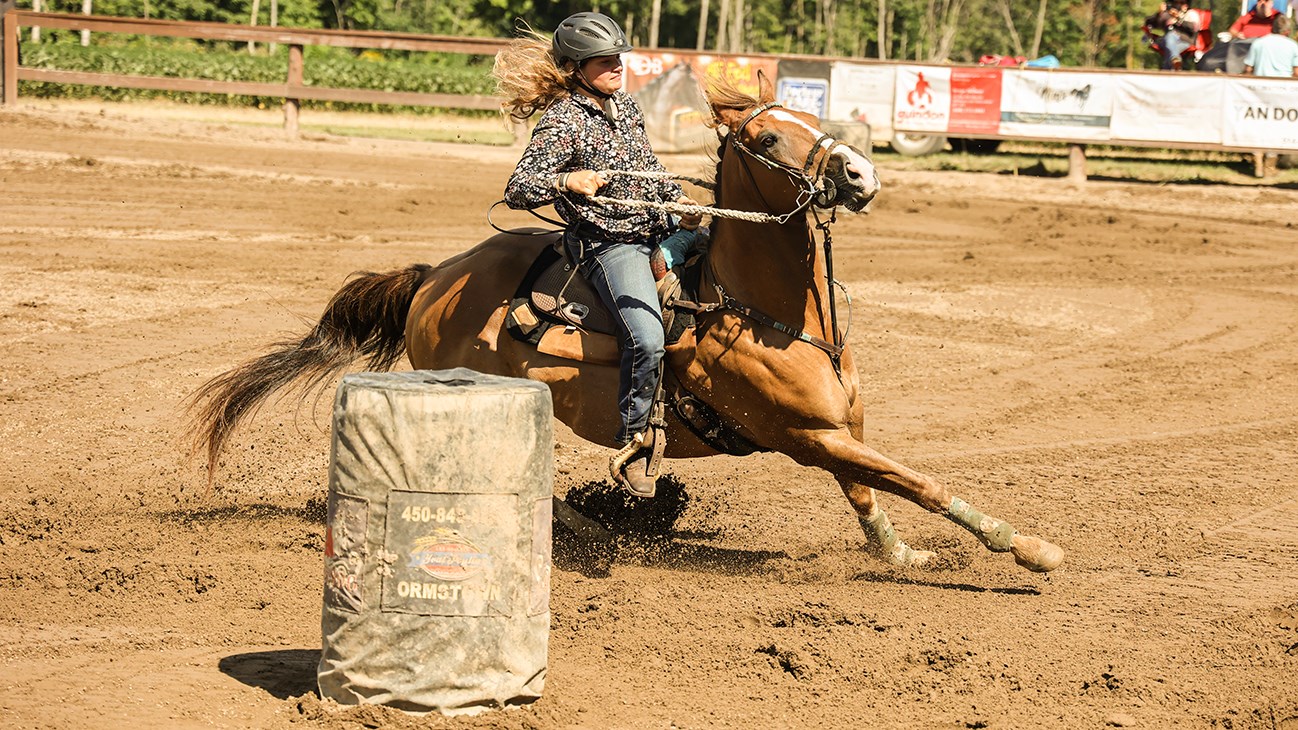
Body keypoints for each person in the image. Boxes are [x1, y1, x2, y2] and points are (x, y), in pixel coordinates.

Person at [494, 12, 702, 498]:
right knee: (647, 336)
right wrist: (567, 180)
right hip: (609, 244)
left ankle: (669, 256)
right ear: (575, 68)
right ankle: (636, 439)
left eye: (618, 58)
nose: (617, 67)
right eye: (604, 60)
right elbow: (518, 188)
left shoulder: (626, 107)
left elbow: (647, 169)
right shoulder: (563, 120)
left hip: (655, 225)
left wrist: (679, 201)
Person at [1145, 0, 1203, 69]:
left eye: (1182, 3)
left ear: (1187, 4)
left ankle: (1167, 69)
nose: (1178, 5)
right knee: (1170, 38)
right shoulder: (1168, 14)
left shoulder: (1191, 14)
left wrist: (1178, 18)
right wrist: (1159, 13)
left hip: (1184, 42)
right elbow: (1149, 23)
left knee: (1170, 48)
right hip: (1165, 41)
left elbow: (1192, 28)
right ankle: (1175, 61)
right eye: (1176, 2)